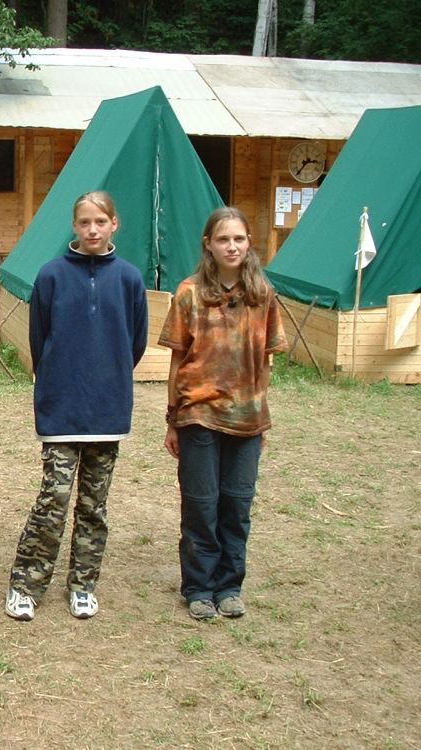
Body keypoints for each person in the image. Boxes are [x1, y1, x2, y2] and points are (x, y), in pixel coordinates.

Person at [6, 191, 147, 622]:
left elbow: (135, 343)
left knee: (93, 504)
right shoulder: (50, 275)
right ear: (74, 225)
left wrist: (109, 376)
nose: (92, 230)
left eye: (100, 222)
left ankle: (83, 585)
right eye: (84, 222)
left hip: (107, 410)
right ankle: (26, 585)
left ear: (114, 224)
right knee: (54, 497)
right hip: (61, 410)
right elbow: (39, 339)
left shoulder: (129, 278)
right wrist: (55, 381)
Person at [159, 207, 287, 620]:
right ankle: (198, 587)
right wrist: (172, 418)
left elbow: (265, 361)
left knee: (237, 505)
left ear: (249, 243)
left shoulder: (262, 295)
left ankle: (229, 586)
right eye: (223, 239)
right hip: (198, 414)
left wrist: (261, 417)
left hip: (247, 418)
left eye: (239, 239)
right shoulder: (189, 293)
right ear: (208, 244)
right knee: (201, 505)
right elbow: (177, 360)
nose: (232, 246)